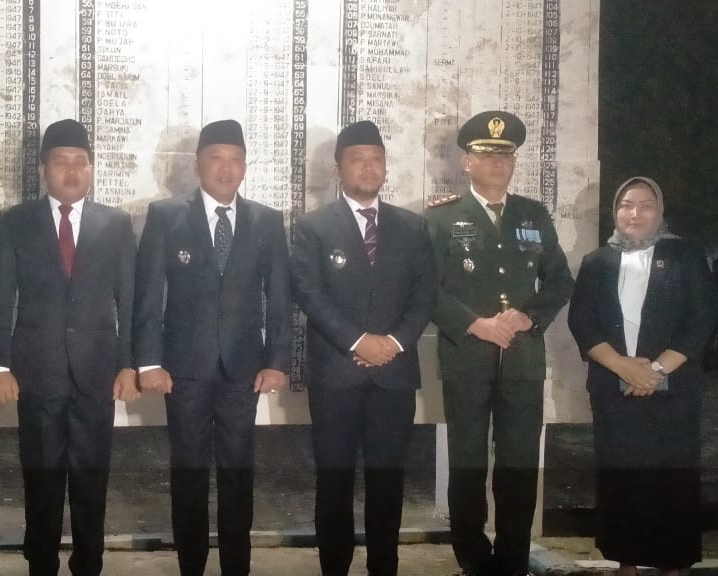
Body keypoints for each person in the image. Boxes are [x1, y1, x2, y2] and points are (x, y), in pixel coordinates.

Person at [133, 119, 292, 576]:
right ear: (197, 164)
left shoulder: (266, 221)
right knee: (189, 474)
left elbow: (280, 297)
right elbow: (149, 295)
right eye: (216, 158)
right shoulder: (166, 216)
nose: (226, 168)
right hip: (183, 369)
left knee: (238, 475)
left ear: (245, 167)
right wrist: (148, 361)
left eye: (235, 159)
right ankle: (192, 567)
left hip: (243, 370)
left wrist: (277, 361)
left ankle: (236, 568)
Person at [0, 119, 139, 576]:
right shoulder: (15, 222)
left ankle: (89, 565)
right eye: (60, 162)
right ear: (42, 169)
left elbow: (129, 300)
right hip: (37, 373)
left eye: (80, 162)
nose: (71, 171)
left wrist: (128, 365)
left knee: (92, 481)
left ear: (91, 169)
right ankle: (41, 566)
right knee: (41, 481)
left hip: (96, 373)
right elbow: (0, 297)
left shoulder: (116, 224)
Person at [425, 111, 574, 576]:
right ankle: (472, 558)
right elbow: (426, 288)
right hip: (467, 357)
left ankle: (512, 559)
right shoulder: (441, 217)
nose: (498, 164)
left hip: (522, 358)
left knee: (519, 465)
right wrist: (474, 324)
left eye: (506, 156)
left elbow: (559, 280)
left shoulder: (533, 215)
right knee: (468, 464)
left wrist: (529, 316)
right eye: (487, 155)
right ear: (466, 161)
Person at [290, 121, 435, 576]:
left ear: (386, 167)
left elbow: (424, 294)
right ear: (338, 169)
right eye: (357, 159)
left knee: (388, 482)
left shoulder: (412, 227)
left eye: (376, 159)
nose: (368, 167)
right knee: (334, 481)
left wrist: (392, 342)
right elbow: (308, 292)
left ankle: (383, 567)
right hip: (337, 373)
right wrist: (357, 341)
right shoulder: (312, 227)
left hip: (394, 374)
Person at [567, 176, 717, 576]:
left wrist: (654, 370)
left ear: (660, 211)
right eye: (626, 205)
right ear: (615, 211)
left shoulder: (684, 256)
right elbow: (582, 321)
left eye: (646, 205)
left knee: (672, 480)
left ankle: (673, 563)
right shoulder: (597, 261)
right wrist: (621, 366)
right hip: (614, 391)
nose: (635, 213)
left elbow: (701, 319)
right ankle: (626, 561)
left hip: (673, 392)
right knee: (622, 479)